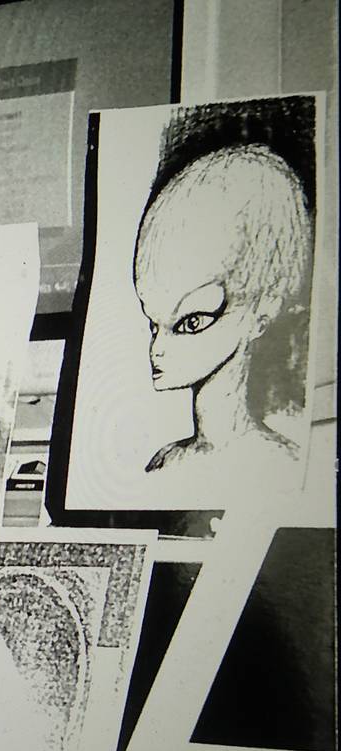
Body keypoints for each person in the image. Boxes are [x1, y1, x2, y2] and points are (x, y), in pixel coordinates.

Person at [131, 107, 315, 485]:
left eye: (191, 322)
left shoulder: (284, 467)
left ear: (263, 310)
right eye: (153, 325)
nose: (157, 350)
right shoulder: (165, 462)